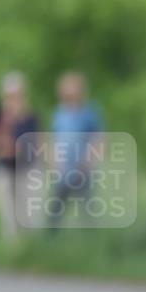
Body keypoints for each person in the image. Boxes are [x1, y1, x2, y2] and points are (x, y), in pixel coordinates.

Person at [48, 71, 103, 228]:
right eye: (67, 89)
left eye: (73, 89)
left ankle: (92, 236)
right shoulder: (59, 113)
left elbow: (99, 138)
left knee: (87, 204)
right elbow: (54, 139)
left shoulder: (90, 111)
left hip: (83, 166)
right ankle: (51, 236)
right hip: (64, 167)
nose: (70, 93)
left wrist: (90, 160)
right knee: (57, 204)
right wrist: (54, 162)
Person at [0, 72, 39, 240]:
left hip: (27, 168)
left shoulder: (31, 116)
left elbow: (35, 142)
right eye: (10, 95)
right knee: (8, 212)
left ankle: (30, 245)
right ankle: (13, 247)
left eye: (16, 94)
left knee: (28, 211)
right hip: (6, 168)